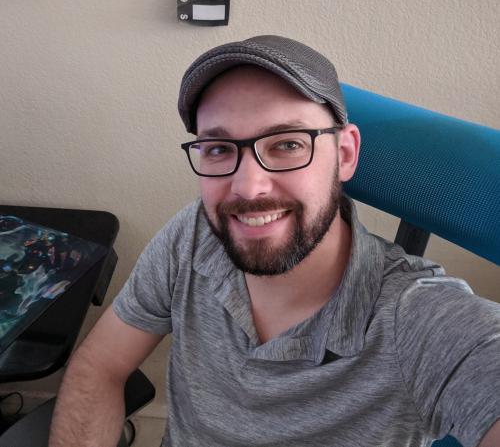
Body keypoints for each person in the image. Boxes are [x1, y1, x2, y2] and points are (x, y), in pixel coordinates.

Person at [49, 35, 500, 447]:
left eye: (287, 144)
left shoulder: (420, 321)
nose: (248, 187)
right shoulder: (194, 234)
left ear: (344, 154)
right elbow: (100, 366)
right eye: (219, 148)